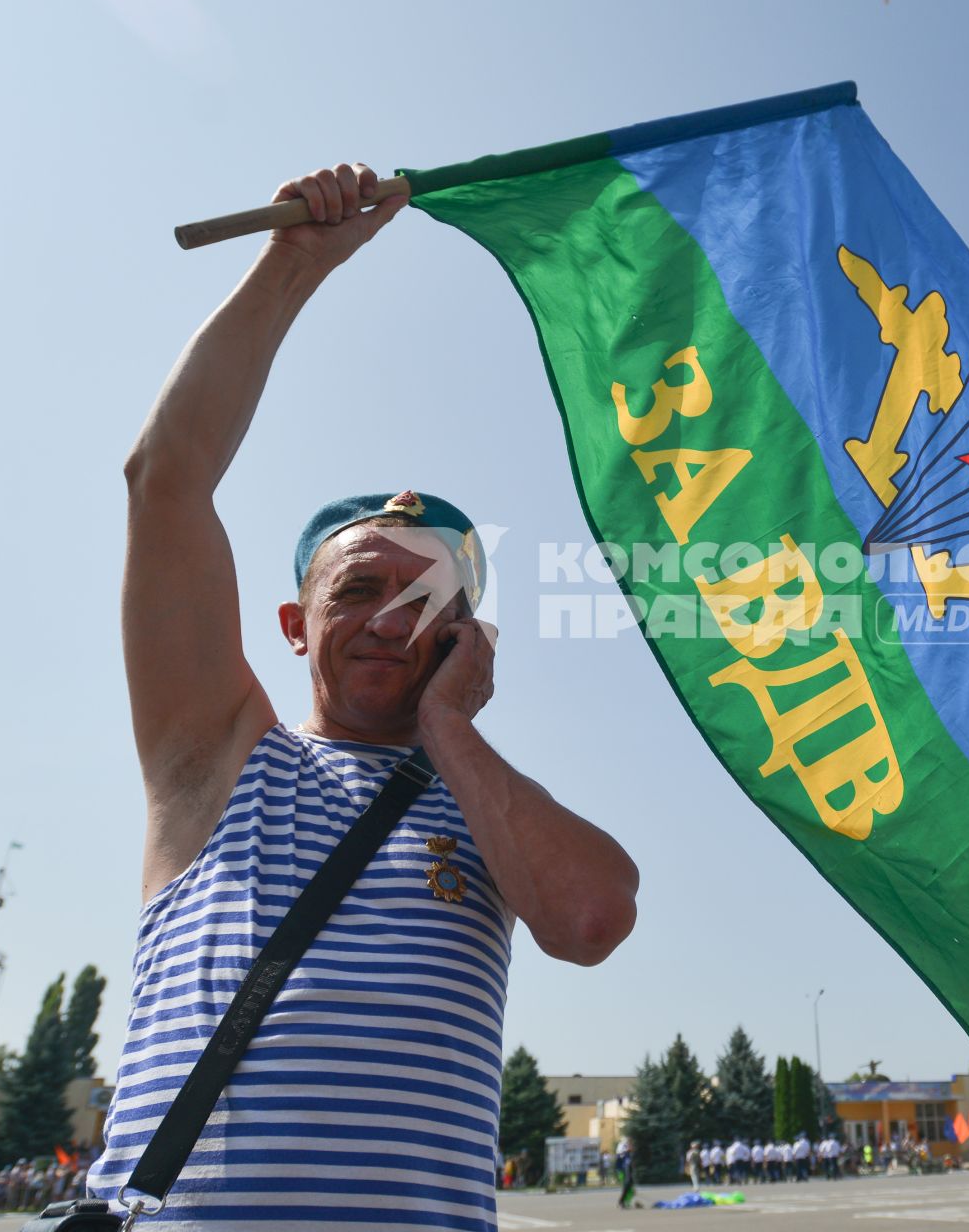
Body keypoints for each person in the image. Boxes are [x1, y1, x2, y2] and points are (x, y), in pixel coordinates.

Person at [85, 164, 640, 1229]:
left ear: (464, 634)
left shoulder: (488, 805)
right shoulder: (216, 756)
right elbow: (167, 476)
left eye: (426, 596)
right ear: (295, 625)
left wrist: (448, 729)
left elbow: (589, 913)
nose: (392, 616)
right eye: (361, 588)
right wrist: (294, 265)